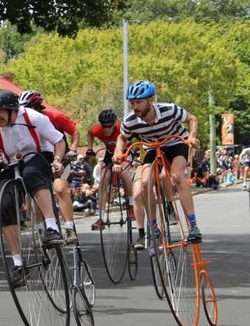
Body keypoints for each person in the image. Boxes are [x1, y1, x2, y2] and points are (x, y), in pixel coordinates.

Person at [0, 90, 66, 285]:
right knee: (5, 204)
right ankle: (18, 264)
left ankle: (52, 227)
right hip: (11, 164)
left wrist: (58, 160)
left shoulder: (33, 117)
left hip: (39, 155)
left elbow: (58, 141)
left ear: (10, 109)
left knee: (31, 174)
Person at [113, 80, 202, 243]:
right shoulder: (130, 120)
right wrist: (118, 152)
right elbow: (122, 137)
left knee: (176, 176)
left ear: (150, 99)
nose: (135, 106)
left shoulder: (169, 109)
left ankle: (193, 225)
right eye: (132, 103)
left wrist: (192, 137)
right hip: (152, 148)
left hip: (175, 143)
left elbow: (192, 118)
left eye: (139, 102)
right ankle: (153, 227)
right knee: (145, 183)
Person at [18, 90, 79, 244]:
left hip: (60, 156)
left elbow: (75, 131)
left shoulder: (55, 116)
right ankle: (40, 230)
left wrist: (73, 149)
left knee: (59, 188)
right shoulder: (22, 121)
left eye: (28, 109)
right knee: (33, 192)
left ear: (37, 107)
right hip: (41, 158)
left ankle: (69, 228)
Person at [86, 109, 136, 231]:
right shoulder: (97, 130)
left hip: (124, 152)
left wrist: (118, 160)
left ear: (114, 124)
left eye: (109, 126)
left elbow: (127, 142)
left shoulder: (121, 128)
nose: (106, 129)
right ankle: (101, 217)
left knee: (123, 173)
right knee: (103, 179)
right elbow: (89, 133)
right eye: (104, 126)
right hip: (109, 153)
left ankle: (131, 205)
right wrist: (90, 148)